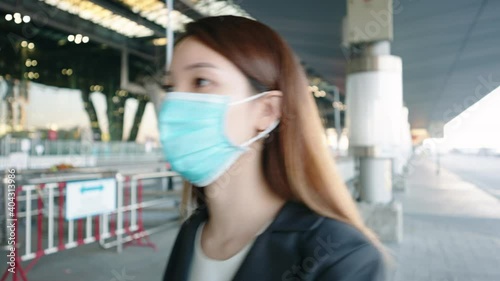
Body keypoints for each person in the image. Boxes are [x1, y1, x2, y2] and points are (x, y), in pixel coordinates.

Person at [159, 15, 386, 281]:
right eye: (170, 87)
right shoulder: (192, 232)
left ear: (266, 111)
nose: (174, 103)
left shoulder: (342, 257)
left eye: (201, 81)